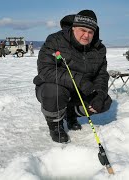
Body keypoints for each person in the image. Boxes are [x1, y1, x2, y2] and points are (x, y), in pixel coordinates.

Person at [33, 9, 112, 143]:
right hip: (55, 89)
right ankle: (55, 125)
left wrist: (99, 94)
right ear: (73, 28)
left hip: (80, 92)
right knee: (55, 93)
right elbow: (45, 70)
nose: (86, 35)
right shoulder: (55, 40)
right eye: (83, 30)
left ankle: (70, 113)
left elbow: (101, 75)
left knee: (104, 101)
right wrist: (79, 80)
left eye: (90, 32)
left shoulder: (99, 49)